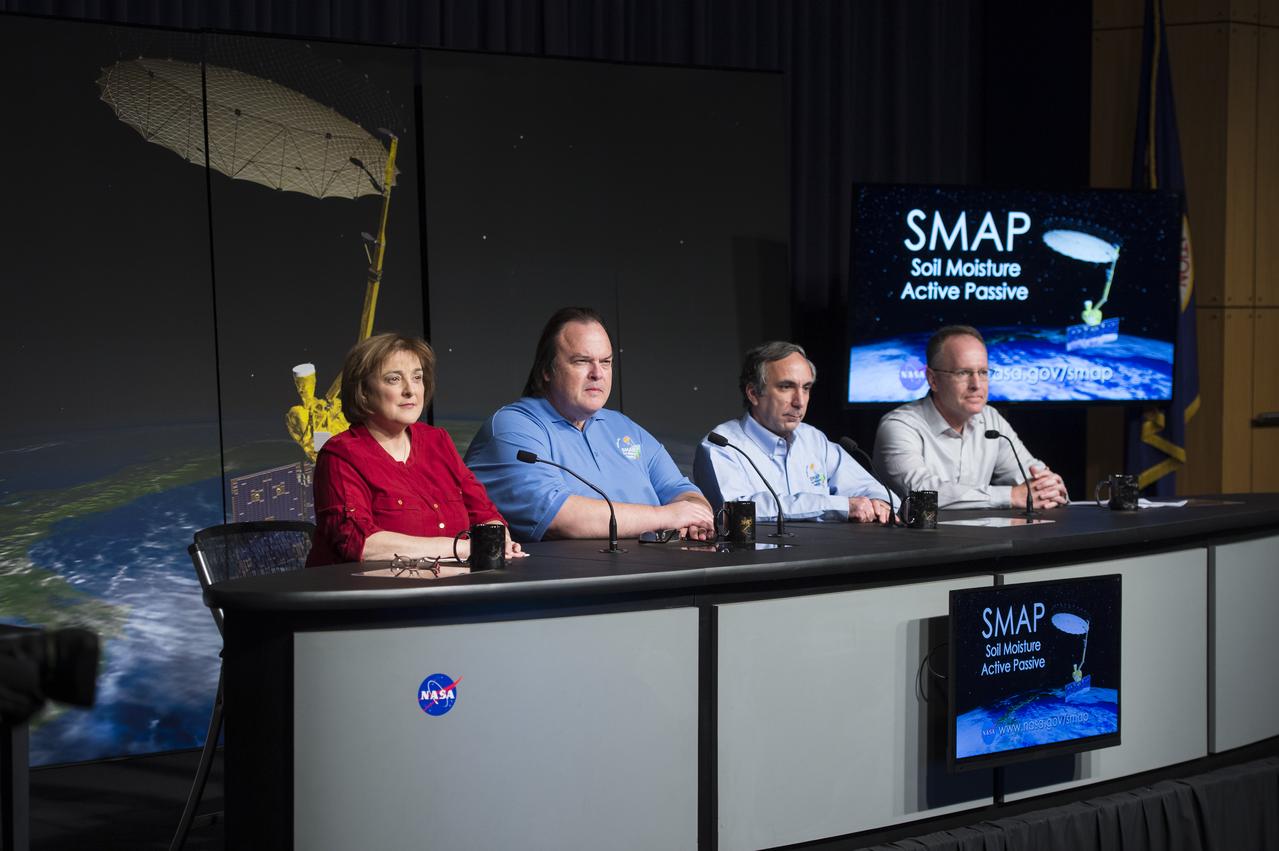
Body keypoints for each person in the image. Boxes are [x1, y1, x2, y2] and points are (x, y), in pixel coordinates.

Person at [464, 307, 715, 542]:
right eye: (582, 361)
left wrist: (696, 517)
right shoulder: (513, 427)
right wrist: (668, 517)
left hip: (655, 575)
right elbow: (560, 517)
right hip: (567, 585)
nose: (598, 373)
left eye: (605, 362)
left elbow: (682, 490)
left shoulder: (623, 427)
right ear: (546, 370)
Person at [306, 333, 526, 567]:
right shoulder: (341, 454)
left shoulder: (436, 440)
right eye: (394, 379)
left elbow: (483, 511)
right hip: (367, 596)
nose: (410, 390)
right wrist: (463, 548)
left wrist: (498, 538)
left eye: (417, 377)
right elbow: (359, 543)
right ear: (364, 393)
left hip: (449, 588)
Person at [693, 341, 896, 523]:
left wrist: (879, 502)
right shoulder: (721, 446)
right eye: (786, 387)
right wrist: (840, 506)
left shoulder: (814, 439)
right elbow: (741, 509)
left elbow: (871, 488)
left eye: (806, 388)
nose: (799, 402)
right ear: (754, 393)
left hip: (825, 558)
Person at [872, 325, 1069, 510]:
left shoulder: (990, 419)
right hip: (913, 543)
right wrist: (1010, 496)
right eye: (963, 373)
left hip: (979, 541)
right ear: (933, 379)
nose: (976, 384)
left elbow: (1031, 475)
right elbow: (919, 492)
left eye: (983, 372)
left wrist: (1051, 488)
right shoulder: (900, 425)